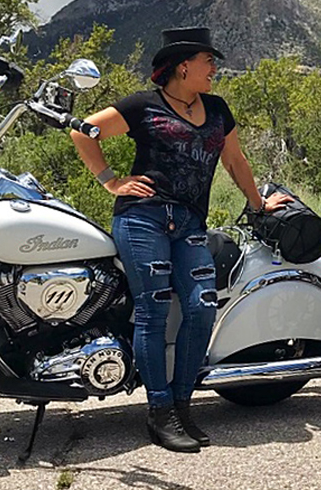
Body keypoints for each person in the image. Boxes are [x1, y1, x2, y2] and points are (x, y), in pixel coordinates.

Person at [71, 27, 290, 452]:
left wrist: (258, 203)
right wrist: (110, 181)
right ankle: (159, 411)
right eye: (209, 61)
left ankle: (182, 404)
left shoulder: (218, 110)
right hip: (143, 219)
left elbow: (234, 159)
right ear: (183, 65)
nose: (214, 69)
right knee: (152, 314)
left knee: (201, 307)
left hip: (190, 223)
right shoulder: (142, 105)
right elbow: (83, 131)